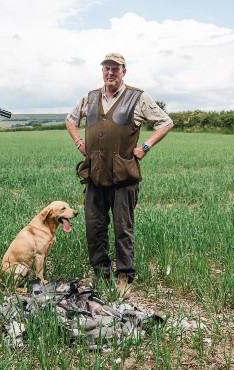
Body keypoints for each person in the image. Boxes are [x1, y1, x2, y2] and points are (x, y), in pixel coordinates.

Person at [65, 52, 173, 296]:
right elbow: (70, 120)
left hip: (123, 175)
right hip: (94, 174)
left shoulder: (137, 96)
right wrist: (79, 142)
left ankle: (124, 274)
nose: (110, 73)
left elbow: (165, 122)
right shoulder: (90, 97)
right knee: (94, 226)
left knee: (123, 227)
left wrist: (145, 147)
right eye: (106, 68)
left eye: (115, 68)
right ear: (102, 71)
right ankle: (100, 272)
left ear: (124, 71)